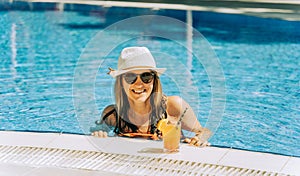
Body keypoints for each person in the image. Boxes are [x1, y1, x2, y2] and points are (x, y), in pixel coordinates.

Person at [91, 46, 211, 147]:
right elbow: (99, 131)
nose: (139, 84)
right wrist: (99, 133)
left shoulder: (173, 106)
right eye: (130, 77)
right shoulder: (112, 115)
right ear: (121, 82)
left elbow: (204, 131)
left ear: (154, 80)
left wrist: (200, 138)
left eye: (146, 76)